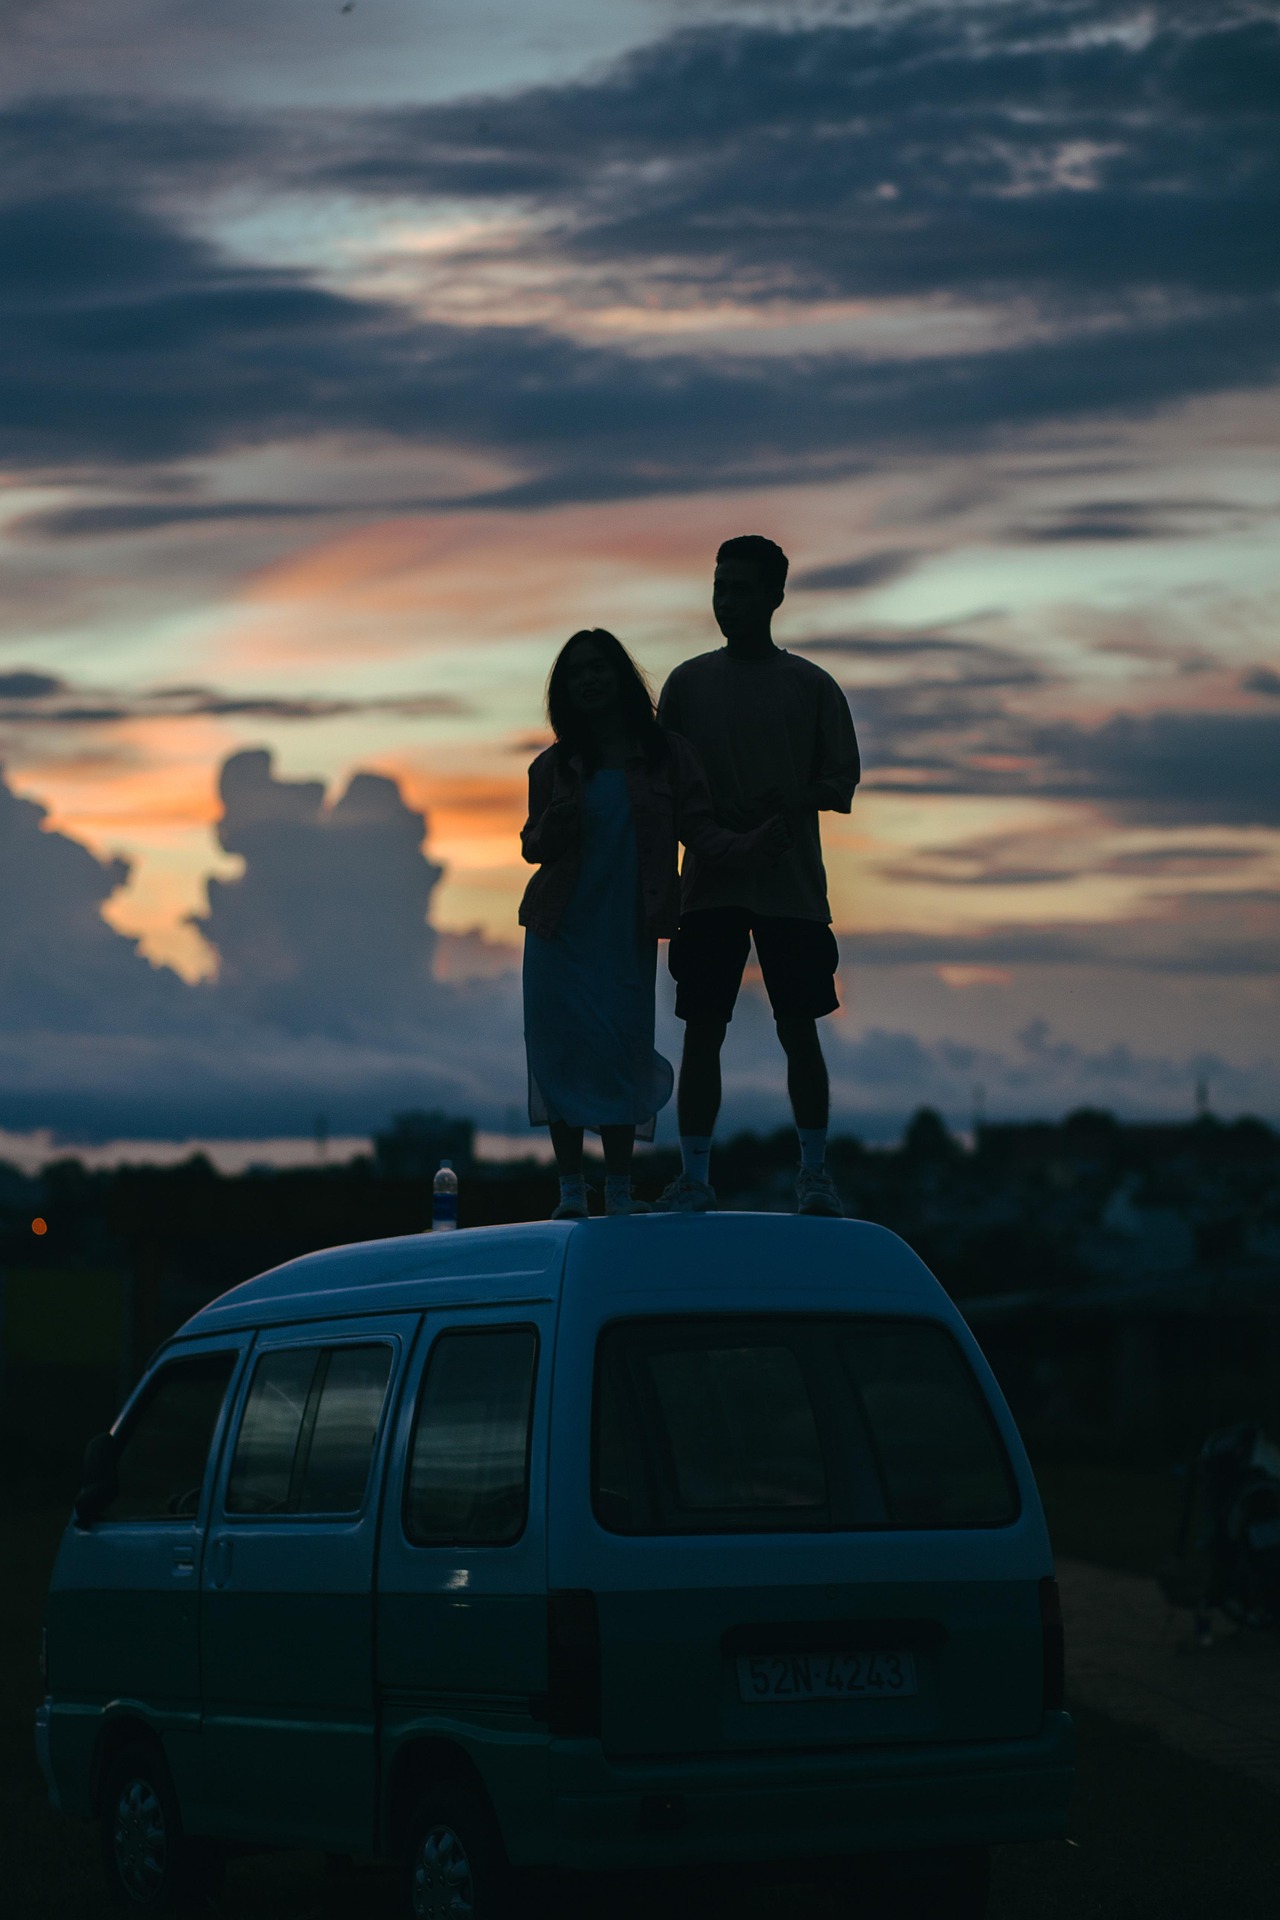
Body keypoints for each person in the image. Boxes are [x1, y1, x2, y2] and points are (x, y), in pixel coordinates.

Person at [520, 627, 788, 1219]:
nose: (589, 680)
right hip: (557, 931)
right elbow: (532, 846)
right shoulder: (553, 766)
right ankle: (571, 1192)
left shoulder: (669, 757)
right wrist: (557, 820)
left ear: (622, 677)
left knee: (622, 1050)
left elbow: (701, 831)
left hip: (624, 930)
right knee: (560, 1053)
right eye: (576, 672)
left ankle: (618, 1190)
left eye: (598, 667)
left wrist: (752, 847)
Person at [654, 535, 860, 1215]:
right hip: (709, 885)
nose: (727, 602)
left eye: (741, 589)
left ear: (775, 596)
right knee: (702, 1029)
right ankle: (694, 1178)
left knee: (798, 1026)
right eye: (720, 588)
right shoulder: (686, 684)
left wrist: (788, 801)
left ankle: (814, 1175)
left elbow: (841, 779)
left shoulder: (811, 685)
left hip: (789, 888)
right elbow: (662, 783)